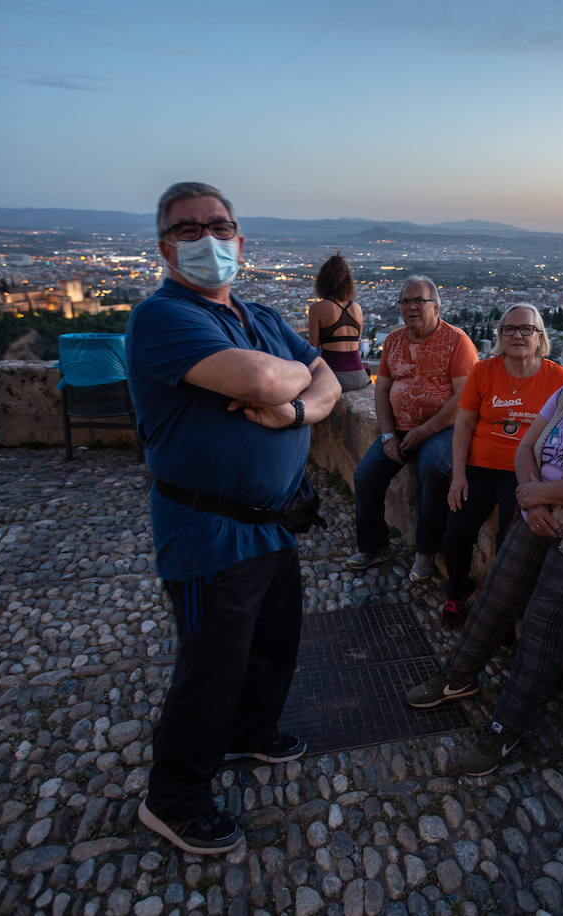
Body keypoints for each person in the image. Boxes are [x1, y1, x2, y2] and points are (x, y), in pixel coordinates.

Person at [125, 181, 341, 855]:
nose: (207, 241)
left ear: (240, 242)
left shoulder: (258, 315)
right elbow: (259, 382)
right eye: (188, 231)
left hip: (272, 520)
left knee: (273, 641)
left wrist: (297, 408)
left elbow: (328, 380)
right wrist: (287, 384)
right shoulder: (162, 318)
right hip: (207, 530)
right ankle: (175, 799)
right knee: (210, 667)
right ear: (165, 247)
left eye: (218, 227)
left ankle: (251, 732)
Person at [405, 316, 563, 776]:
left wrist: (539, 495)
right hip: (541, 515)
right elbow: (526, 449)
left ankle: (507, 727)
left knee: (543, 626)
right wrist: (531, 497)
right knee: (495, 596)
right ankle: (458, 676)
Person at [440, 304, 563, 627]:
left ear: (539, 337)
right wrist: (458, 476)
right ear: (499, 335)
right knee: (456, 530)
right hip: (481, 465)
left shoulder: (558, 378)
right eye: (510, 329)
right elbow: (464, 426)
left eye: (526, 329)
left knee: (510, 539)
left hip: (526, 470)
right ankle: (457, 591)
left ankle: (499, 611)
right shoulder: (484, 372)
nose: (518, 335)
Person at [348, 275, 477, 582]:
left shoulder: (457, 341)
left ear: (436, 306)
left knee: (433, 469)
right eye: (406, 301)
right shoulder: (393, 341)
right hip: (400, 428)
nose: (411, 307)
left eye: (419, 300)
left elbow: (464, 397)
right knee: (366, 475)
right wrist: (388, 435)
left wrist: (427, 430)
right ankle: (373, 545)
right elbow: (381, 391)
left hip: (443, 429)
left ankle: (426, 551)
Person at [306, 252, 370, 391]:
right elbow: (356, 343)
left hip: (333, 376)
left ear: (322, 281)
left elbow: (313, 348)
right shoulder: (357, 308)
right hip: (360, 376)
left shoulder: (317, 308)